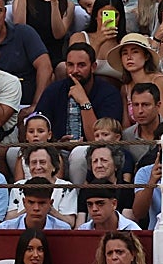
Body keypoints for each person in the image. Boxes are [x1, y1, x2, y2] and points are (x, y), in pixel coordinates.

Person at [33, 42, 123, 183]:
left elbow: (98, 140)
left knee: (79, 153)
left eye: (81, 65)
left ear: (93, 67)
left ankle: (78, 199)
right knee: (14, 153)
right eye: (70, 65)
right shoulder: (54, 90)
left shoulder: (109, 93)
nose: (75, 71)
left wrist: (84, 102)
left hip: (93, 153)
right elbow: (38, 124)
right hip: (57, 149)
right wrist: (57, 143)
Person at [0, 0, 52, 108]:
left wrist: (36, 106)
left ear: (5, 12)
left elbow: (45, 67)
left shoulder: (24, 33)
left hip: (25, 107)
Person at [114, 32, 163, 125]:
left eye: (135, 51)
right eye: (125, 53)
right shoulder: (125, 88)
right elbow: (126, 126)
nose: (129, 57)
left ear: (146, 56)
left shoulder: (159, 81)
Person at [6, 147, 78, 226]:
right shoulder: (18, 187)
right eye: (33, 163)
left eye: (42, 162)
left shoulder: (67, 188)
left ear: (54, 166)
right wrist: (29, 210)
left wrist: (48, 209)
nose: (38, 167)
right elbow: (9, 220)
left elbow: (70, 223)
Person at [13, 0, 75, 71]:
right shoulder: (20, 0)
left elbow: (58, 35)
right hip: (28, 53)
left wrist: (54, 4)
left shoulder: (68, 4)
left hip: (54, 54)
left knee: (61, 68)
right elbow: (19, 30)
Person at [122, 81, 163, 167]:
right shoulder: (126, 136)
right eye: (136, 105)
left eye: (146, 105)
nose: (140, 111)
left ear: (158, 105)